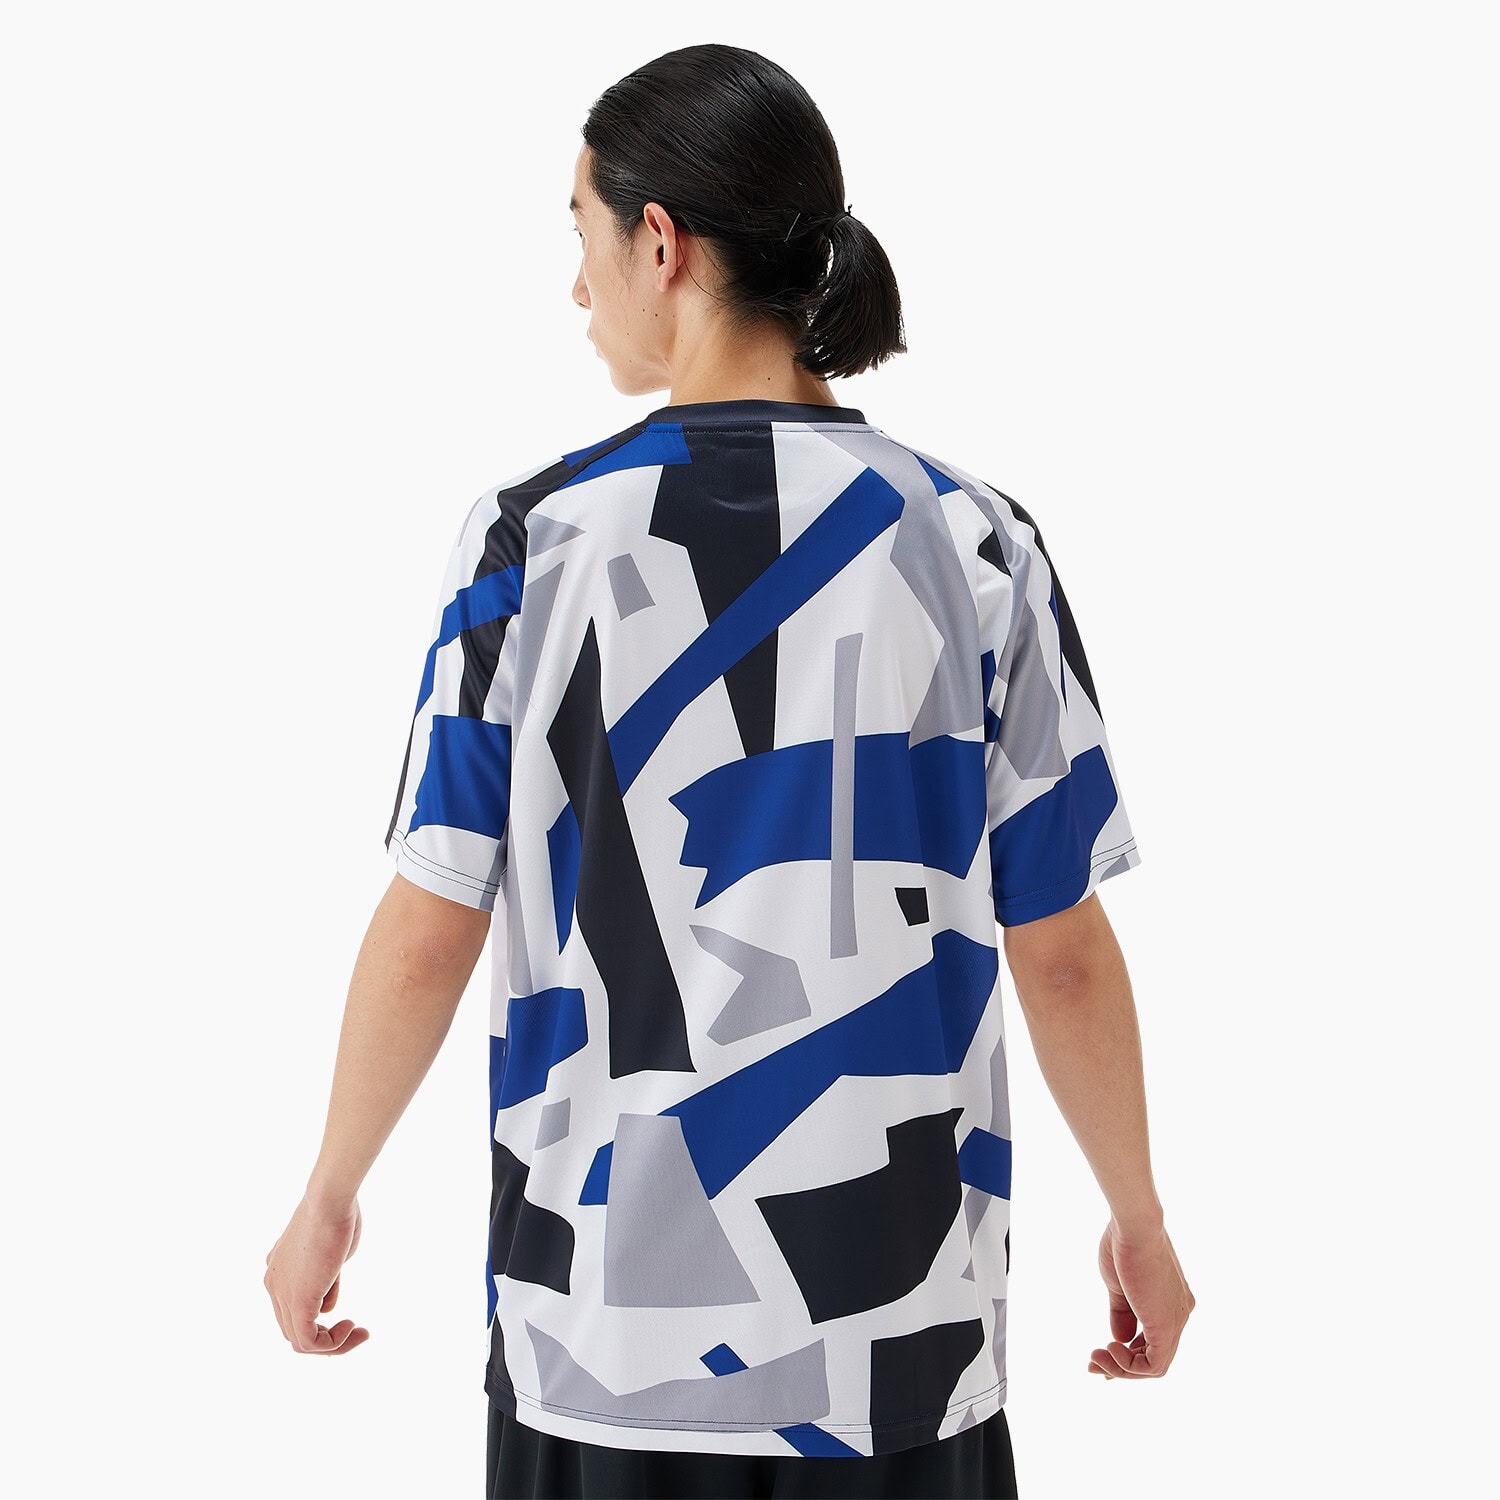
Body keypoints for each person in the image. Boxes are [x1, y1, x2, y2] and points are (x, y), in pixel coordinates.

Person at [263, 42, 1194, 1500]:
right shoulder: (976, 540)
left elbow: (435, 918)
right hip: (898, 1353)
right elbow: (1060, 944)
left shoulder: (530, 543)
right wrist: (1138, 1216)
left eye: (581, 233)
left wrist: (330, 1191)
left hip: (601, 1346)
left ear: (661, 242)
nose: (576, 287)